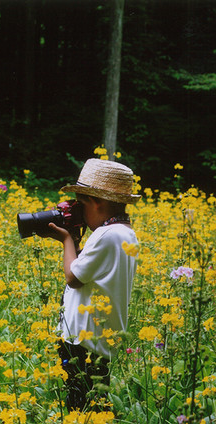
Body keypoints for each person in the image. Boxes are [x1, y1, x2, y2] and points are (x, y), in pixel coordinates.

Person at [45, 158, 141, 411]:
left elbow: (74, 277)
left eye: (81, 204)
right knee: (93, 399)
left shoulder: (106, 235)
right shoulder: (124, 233)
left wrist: (66, 239)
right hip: (101, 336)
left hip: (83, 338)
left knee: (83, 405)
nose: (77, 211)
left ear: (97, 202)